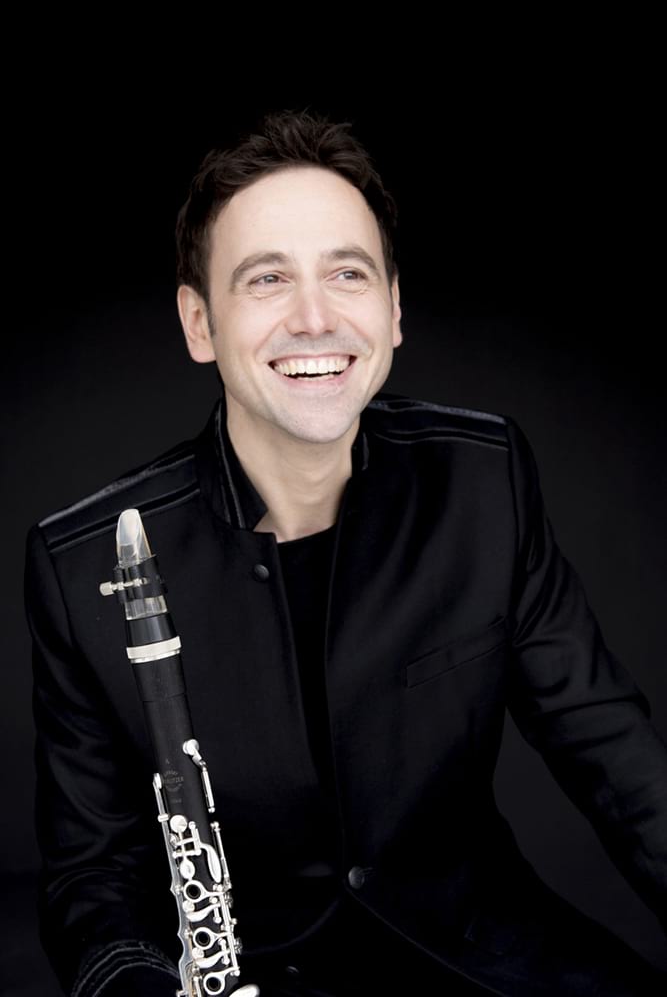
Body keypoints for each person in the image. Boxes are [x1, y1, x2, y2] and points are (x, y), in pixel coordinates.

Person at [25, 108, 667, 997]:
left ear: (393, 308)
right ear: (199, 322)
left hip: (489, 955)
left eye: (347, 273)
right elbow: (93, 877)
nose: (315, 317)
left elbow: (612, 754)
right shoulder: (79, 563)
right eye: (266, 279)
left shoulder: (483, 477)